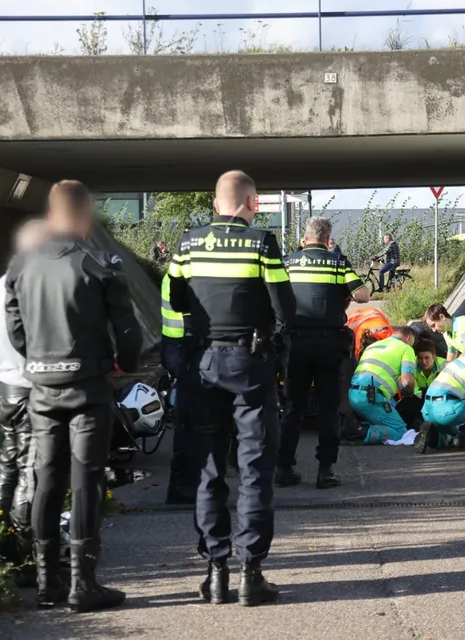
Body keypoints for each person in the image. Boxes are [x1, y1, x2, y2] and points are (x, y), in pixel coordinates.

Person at [6, 180, 143, 612]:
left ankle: (46, 583)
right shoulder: (100, 264)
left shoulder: (21, 265)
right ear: (85, 216)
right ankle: (83, 584)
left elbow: (15, 331)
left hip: (43, 390)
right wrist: (123, 362)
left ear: (51, 215)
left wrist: (39, 362)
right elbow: (127, 329)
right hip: (87, 387)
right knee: (87, 481)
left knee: (47, 479)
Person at [167, 170, 295, 607]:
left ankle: (215, 571)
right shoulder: (262, 243)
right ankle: (250, 573)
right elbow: (285, 307)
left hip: (203, 363)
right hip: (249, 364)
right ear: (252, 203)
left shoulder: (187, 244)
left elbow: (177, 300)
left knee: (209, 468)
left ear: (214, 202)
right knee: (254, 467)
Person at [0, 217, 49, 586]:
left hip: (6, 388)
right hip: (32, 389)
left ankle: (1, 548)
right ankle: (24, 558)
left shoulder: (0, 285)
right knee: (30, 475)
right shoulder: (35, 285)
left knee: (9, 468)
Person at [276, 217, 370, 490]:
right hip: (329, 345)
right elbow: (363, 296)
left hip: (296, 343)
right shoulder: (338, 263)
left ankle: (283, 468)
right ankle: (325, 471)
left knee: (292, 407)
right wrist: (344, 296)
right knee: (328, 408)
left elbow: (274, 295)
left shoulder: (287, 262)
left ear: (304, 238)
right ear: (329, 240)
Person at [346, 325, 417, 444]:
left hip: (354, 395)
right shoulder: (406, 348)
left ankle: (355, 426)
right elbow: (407, 382)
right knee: (401, 432)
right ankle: (360, 431)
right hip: (372, 398)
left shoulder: (373, 346)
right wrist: (410, 391)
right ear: (408, 339)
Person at [162, 271, 197, 505]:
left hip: (174, 346)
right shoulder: (191, 272)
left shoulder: (173, 272)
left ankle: (181, 484)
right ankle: (184, 485)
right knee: (191, 420)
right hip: (187, 346)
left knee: (187, 418)